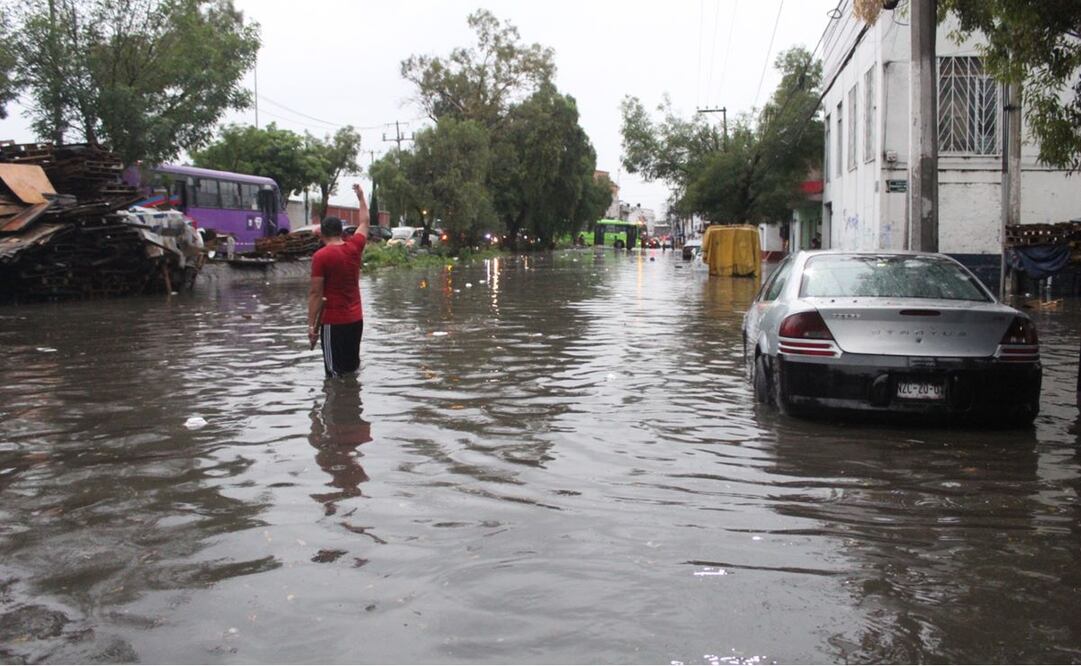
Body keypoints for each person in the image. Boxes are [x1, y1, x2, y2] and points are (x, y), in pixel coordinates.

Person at [308, 183, 369, 377]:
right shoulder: (354, 247)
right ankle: (353, 405)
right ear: (341, 231)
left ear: (323, 233)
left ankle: (338, 407)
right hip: (356, 320)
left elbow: (316, 294)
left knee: (334, 376)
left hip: (333, 323)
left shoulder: (321, 256)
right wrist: (360, 198)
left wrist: (311, 325)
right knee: (351, 371)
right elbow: (365, 222)